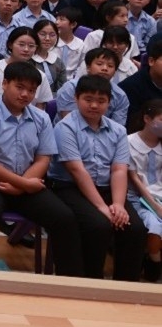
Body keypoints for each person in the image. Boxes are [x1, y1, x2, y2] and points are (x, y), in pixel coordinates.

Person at [0, 62, 81, 275]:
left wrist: (21, 185)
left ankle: (69, 281)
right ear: (5, 84)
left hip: (26, 177)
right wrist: (22, 184)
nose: (25, 94)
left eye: (31, 90)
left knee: (63, 216)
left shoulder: (41, 117)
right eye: (20, 87)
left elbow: (43, 158)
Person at [48, 75, 146, 281]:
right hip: (69, 187)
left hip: (107, 187)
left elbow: (119, 170)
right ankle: (91, 283)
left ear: (109, 103)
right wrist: (102, 207)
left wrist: (118, 204)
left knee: (135, 228)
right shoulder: (65, 127)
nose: (94, 105)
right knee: (99, 225)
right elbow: (77, 170)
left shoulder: (118, 130)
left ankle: (125, 287)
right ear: (76, 98)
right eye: (88, 99)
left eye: (101, 101)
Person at [126, 98, 162, 282]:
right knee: (154, 227)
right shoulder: (129, 142)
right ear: (147, 119)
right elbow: (135, 179)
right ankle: (154, 263)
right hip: (138, 198)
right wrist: (156, 207)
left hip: (160, 195)